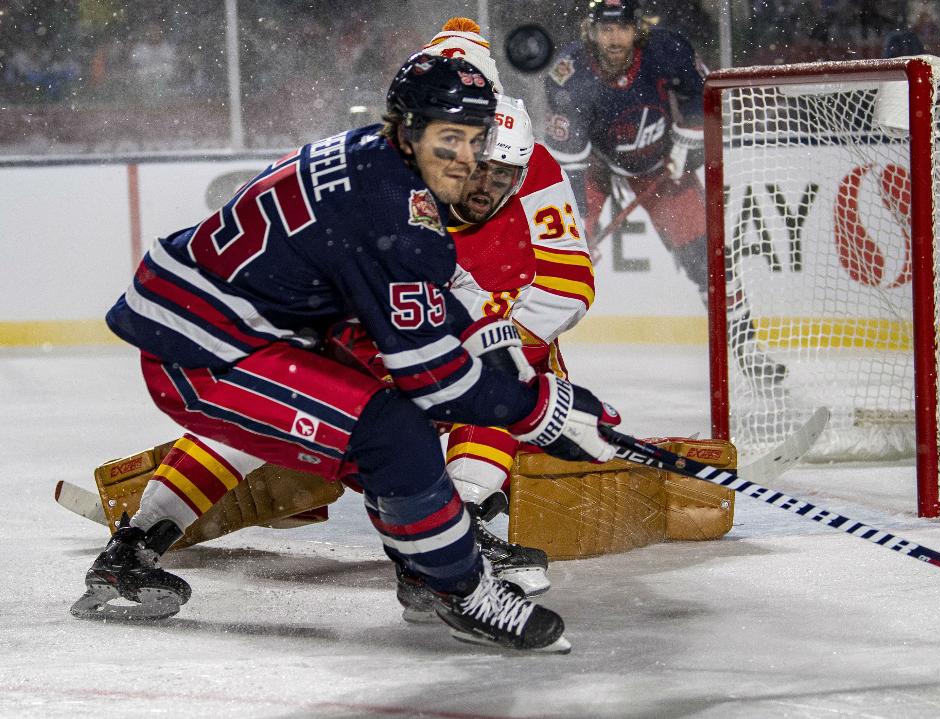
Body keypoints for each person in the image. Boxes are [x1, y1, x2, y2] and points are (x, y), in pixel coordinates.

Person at [71, 51, 623, 654]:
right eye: (452, 140)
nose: (471, 168)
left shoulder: (374, 157)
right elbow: (433, 372)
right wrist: (537, 410)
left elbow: (444, 294)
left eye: (476, 143)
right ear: (411, 130)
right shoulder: (395, 206)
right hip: (205, 346)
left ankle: (426, 565)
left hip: (217, 317)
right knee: (393, 433)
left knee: (376, 440)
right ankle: (460, 590)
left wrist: (490, 340)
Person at [543, 0, 786, 383]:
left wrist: (686, 146)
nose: (614, 38)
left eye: (622, 28)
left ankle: (745, 347)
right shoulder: (568, 75)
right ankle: (538, 358)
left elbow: (705, 96)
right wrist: (577, 230)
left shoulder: (667, 49)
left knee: (707, 259)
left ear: (637, 28)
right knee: (560, 258)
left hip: (660, 164)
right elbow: (571, 165)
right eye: (605, 29)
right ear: (590, 30)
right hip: (596, 166)